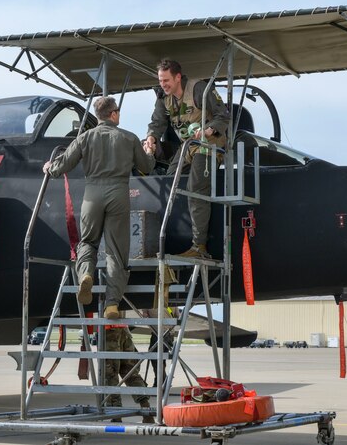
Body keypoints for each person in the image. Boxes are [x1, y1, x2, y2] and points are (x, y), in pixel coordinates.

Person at [44, 96, 155, 319]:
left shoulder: (85, 137)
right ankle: (112, 304)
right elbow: (146, 167)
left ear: (98, 116)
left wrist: (49, 167)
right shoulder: (128, 137)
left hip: (92, 194)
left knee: (88, 242)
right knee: (116, 251)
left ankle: (86, 273)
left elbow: (62, 165)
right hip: (118, 193)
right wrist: (149, 151)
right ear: (114, 114)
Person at [146, 59, 230, 258]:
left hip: (209, 146)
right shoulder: (163, 97)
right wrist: (151, 137)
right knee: (168, 180)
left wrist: (209, 130)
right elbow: (157, 122)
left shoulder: (200, 89)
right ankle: (173, 238)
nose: (163, 84)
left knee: (196, 190)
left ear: (177, 77)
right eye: (160, 80)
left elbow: (224, 116)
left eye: (166, 80)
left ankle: (199, 247)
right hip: (188, 147)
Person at [104, 321, 154, 423]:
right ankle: (146, 409)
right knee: (131, 373)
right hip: (124, 330)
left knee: (110, 374)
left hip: (109, 331)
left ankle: (116, 415)